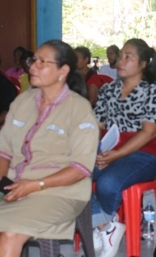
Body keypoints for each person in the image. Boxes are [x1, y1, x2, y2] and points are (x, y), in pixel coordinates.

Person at [0, 39, 98, 257]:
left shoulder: (79, 109)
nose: (32, 67)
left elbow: (80, 168)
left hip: (59, 190)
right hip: (15, 184)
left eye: (42, 62)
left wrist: (35, 185)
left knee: (9, 235)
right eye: (33, 60)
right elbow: (3, 151)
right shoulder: (22, 102)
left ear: (63, 71)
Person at [92, 38, 156, 257]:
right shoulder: (107, 90)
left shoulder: (155, 91)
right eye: (120, 55)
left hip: (142, 154)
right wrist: (96, 151)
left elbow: (149, 132)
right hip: (107, 149)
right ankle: (105, 226)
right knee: (74, 175)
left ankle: (100, 224)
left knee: (107, 183)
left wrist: (115, 155)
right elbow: (97, 125)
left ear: (143, 64)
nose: (120, 61)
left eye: (128, 57)